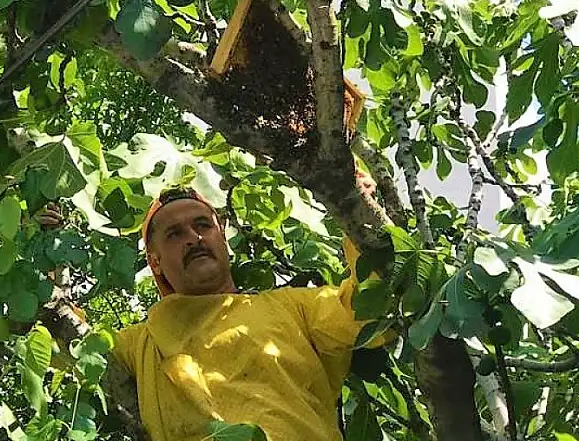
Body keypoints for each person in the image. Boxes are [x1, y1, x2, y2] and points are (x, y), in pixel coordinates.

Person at [106, 186, 390, 441]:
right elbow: (72, 347)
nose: (194, 238)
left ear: (224, 240)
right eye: (174, 234)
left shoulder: (293, 308)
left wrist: (358, 210)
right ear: (155, 262)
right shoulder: (141, 344)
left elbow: (370, 309)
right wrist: (58, 258)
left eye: (203, 225)